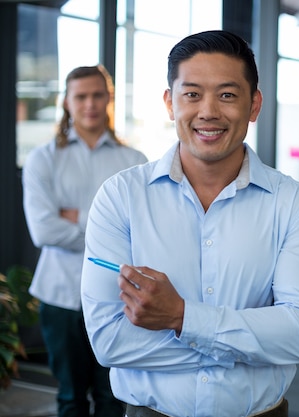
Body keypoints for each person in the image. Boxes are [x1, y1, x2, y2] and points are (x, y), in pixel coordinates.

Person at [80, 30, 299, 417]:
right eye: (192, 94)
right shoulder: (121, 198)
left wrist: (181, 317)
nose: (209, 111)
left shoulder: (295, 205)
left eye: (228, 95)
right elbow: (110, 341)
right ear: (170, 102)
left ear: (254, 105)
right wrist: (250, 346)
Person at [22, 65, 148, 417]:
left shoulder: (134, 162)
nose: (89, 103)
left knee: (113, 398)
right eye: (80, 96)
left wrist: (75, 215)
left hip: (118, 299)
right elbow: (44, 231)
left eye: (97, 95)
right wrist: (109, 226)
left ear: (108, 98)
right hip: (60, 296)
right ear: (66, 102)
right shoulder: (43, 159)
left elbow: (140, 233)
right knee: (70, 399)